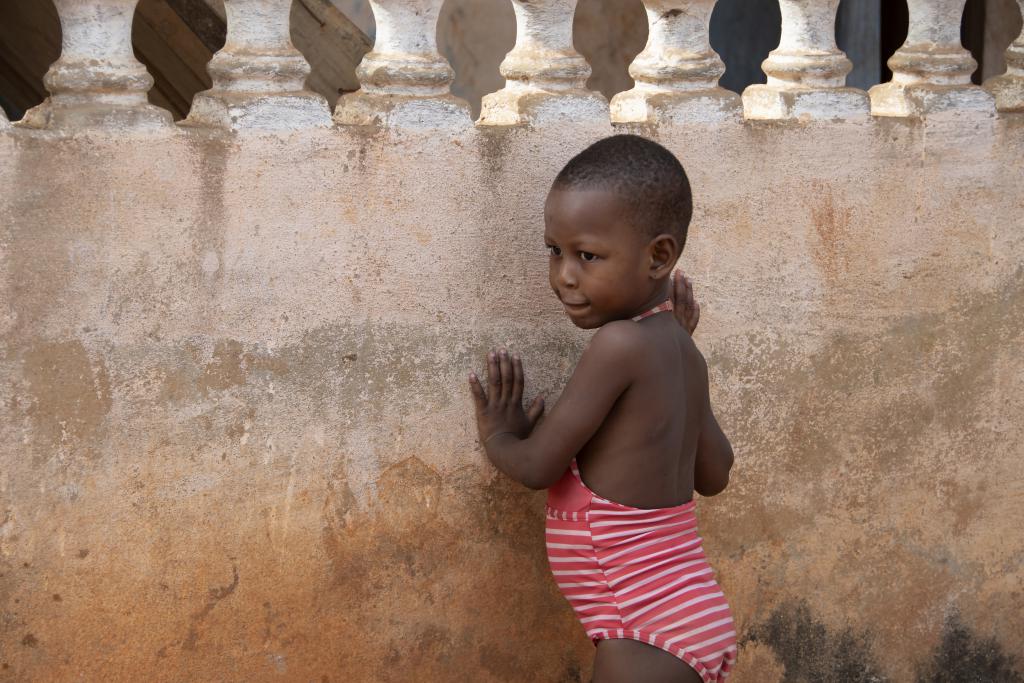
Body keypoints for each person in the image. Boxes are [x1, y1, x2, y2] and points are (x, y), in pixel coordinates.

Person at [468, 135, 737, 683]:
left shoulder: (617, 346)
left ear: (659, 256)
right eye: (554, 250)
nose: (565, 275)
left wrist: (500, 435)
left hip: (642, 629)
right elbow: (716, 474)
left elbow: (539, 466)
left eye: (588, 255)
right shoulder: (681, 350)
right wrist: (686, 351)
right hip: (691, 616)